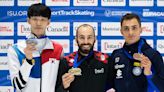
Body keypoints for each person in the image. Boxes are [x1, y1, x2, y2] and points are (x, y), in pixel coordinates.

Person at [7, 3, 64, 92]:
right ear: (28, 20)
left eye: (42, 19)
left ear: (48, 22)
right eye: (35, 19)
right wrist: (28, 61)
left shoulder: (58, 49)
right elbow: (17, 85)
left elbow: (59, 84)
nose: (38, 23)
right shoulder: (16, 49)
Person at [111, 13, 164, 92]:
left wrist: (149, 73)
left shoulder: (153, 55)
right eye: (126, 29)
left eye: (134, 28)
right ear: (121, 31)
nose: (130, 33)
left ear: (140, 29)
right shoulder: (116, 55)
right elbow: (109, 84)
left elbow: (162, 88)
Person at [55, 24, 114, 92]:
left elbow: (113, 87)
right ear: (76, 39)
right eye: (82, 37)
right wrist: (63, 87)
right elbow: (57, 90)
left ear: (95, 39)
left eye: (89, 37)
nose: (86, 42)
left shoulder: (106, 60)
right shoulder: (66, 62)